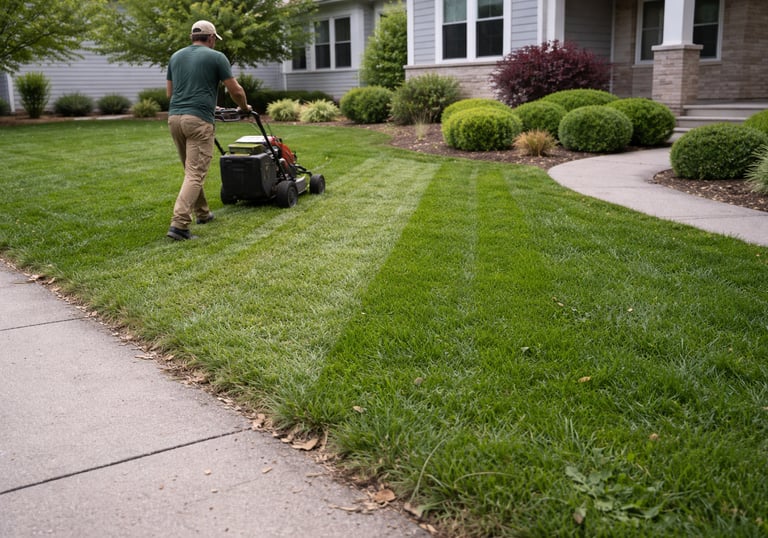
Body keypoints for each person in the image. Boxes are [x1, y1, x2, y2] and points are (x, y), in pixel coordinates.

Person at [165, 20, 251, 240]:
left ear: (192, 37)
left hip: (175, 118)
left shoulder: (175, 57)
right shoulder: (216, 57)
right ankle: (179, 225)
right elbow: (236, 90)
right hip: (198, 121)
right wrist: (244, 108)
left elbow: (170, 93)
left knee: (189, 169)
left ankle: (203, 213)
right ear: (211, 38)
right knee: (195, 172)